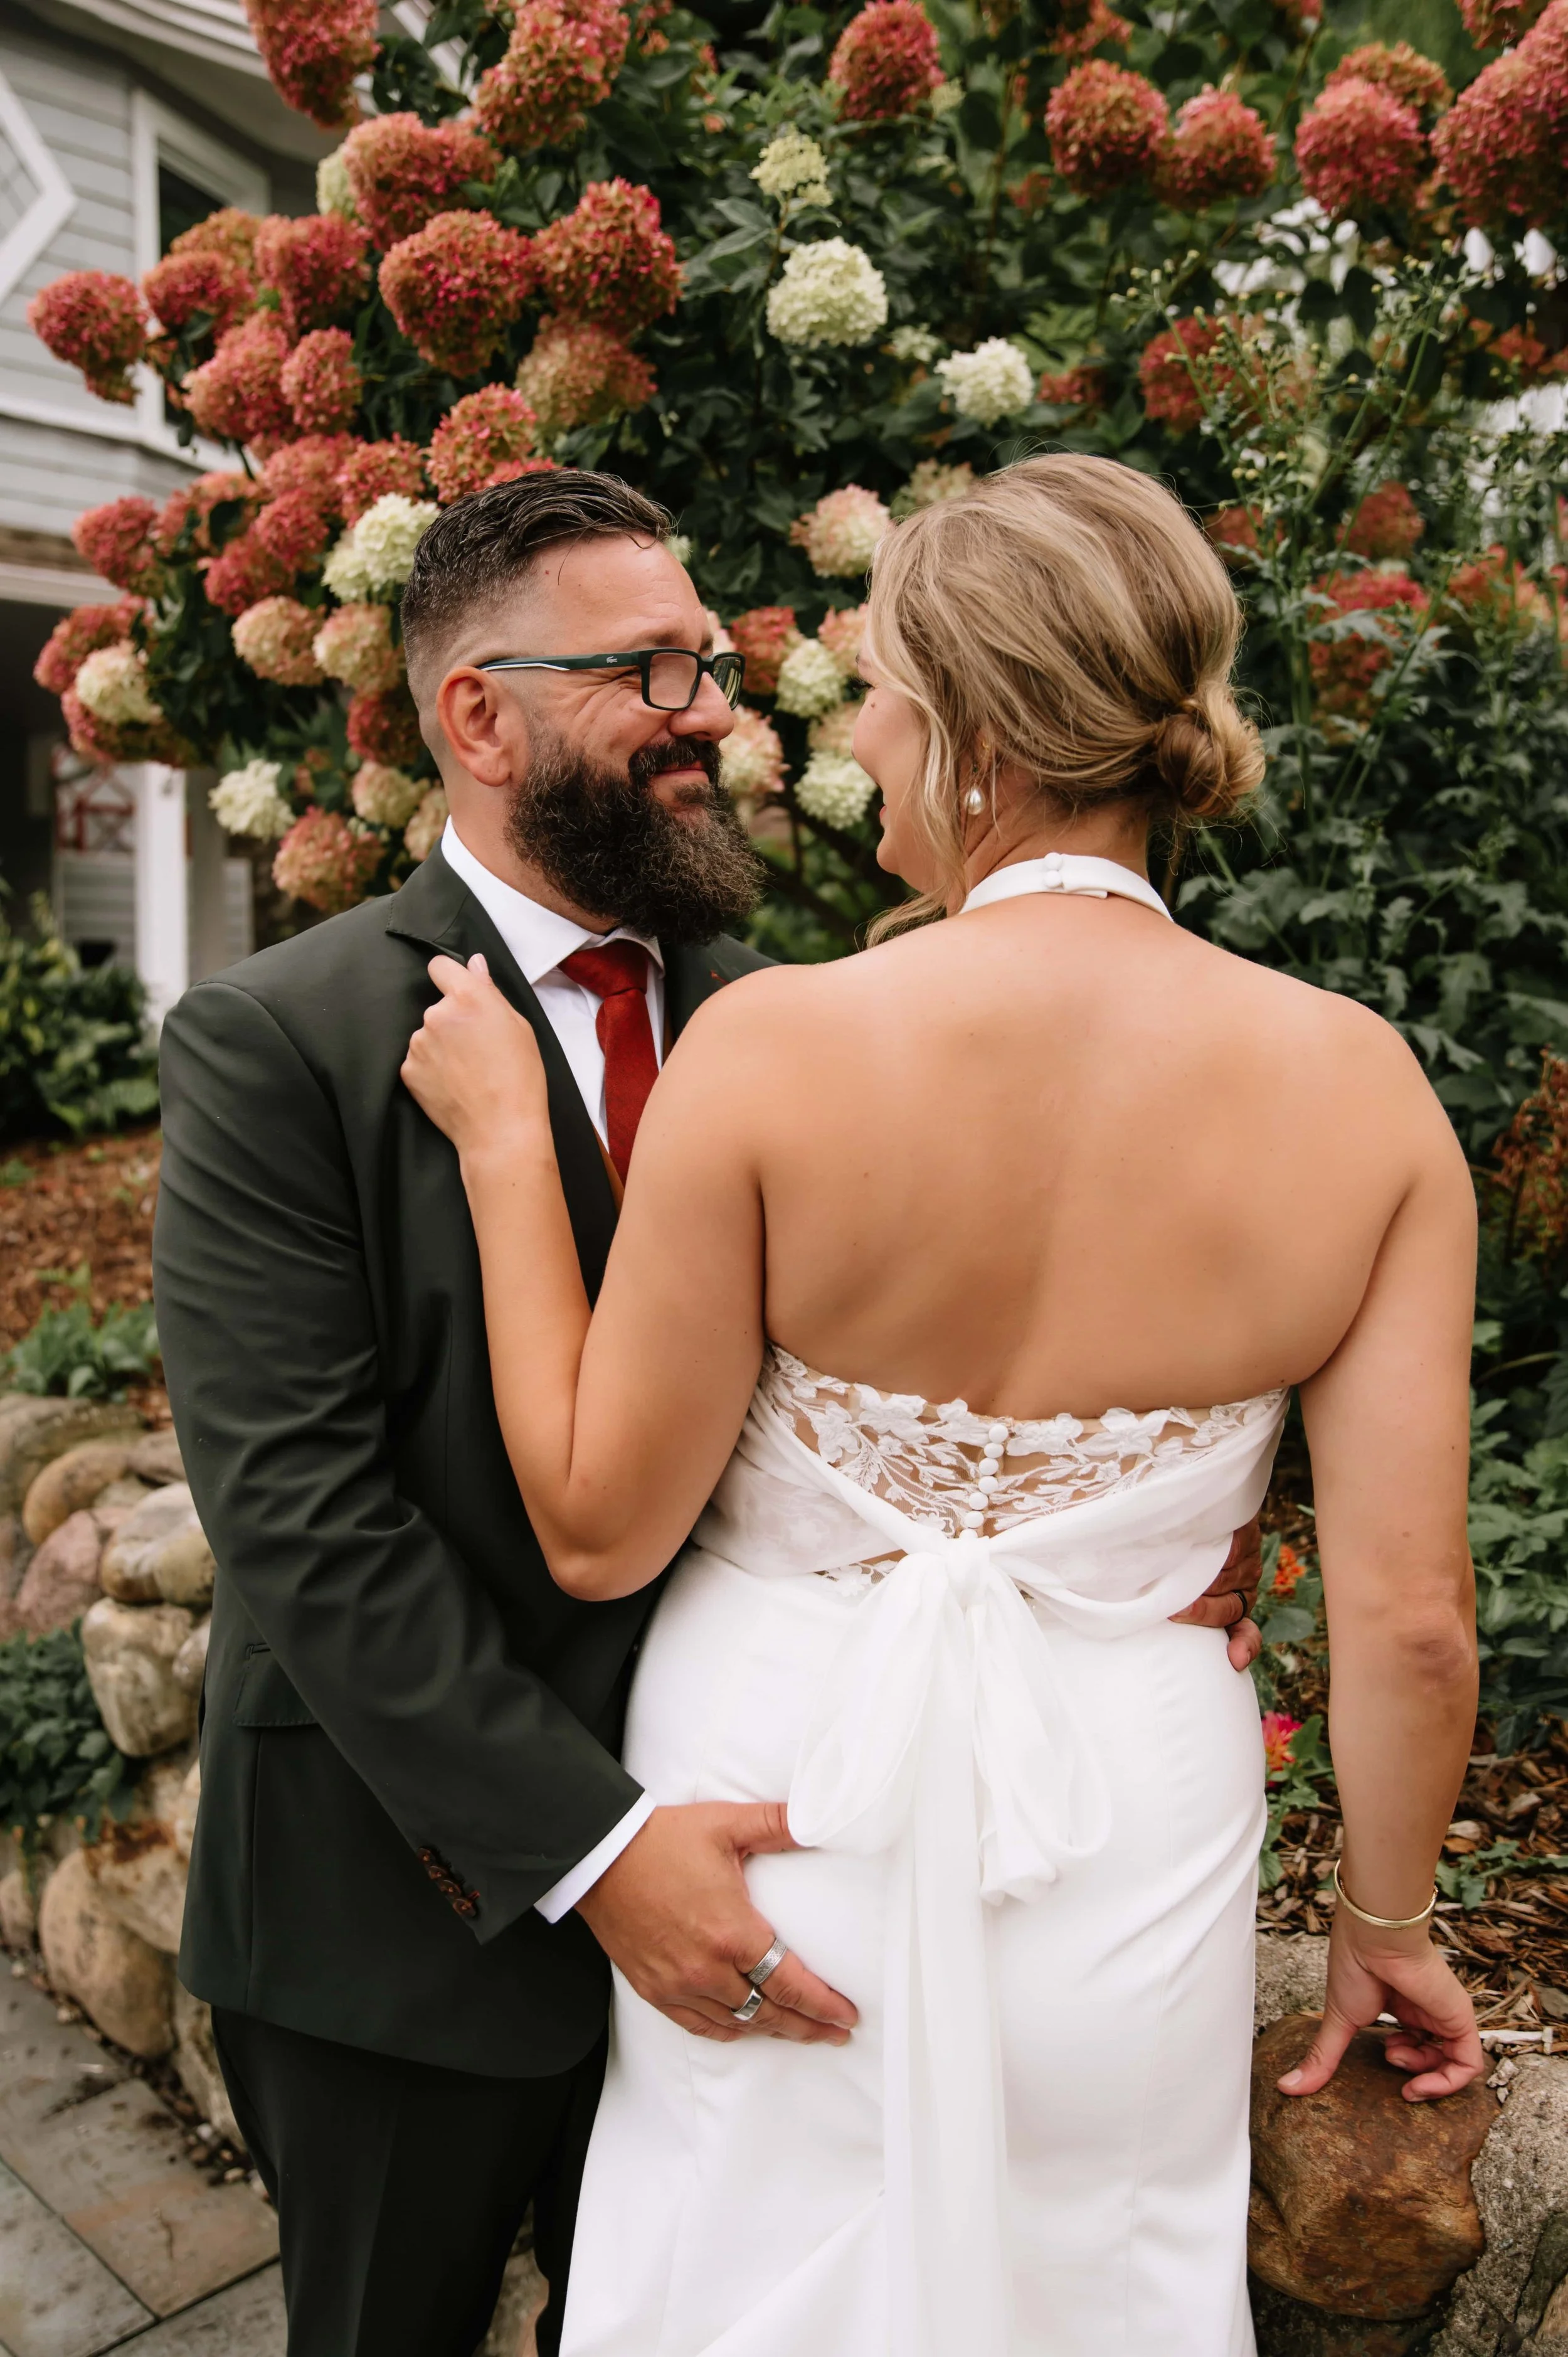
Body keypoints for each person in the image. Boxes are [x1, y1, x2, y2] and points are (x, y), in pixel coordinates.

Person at [152, 466, 1270, 2357]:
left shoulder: (800, 1018)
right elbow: (301, 1521)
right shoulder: (284, 1040)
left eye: (708, 664)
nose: (713, 717)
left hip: (781, 1902)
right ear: (477, 715)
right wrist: (592, 1848)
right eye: (645, 673)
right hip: (407, 1920)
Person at [401, 453, 1485, 2357]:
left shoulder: (778, 1044)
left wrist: (509, 1150)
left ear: (977, 729)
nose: (862, 738)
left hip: (776, 1825)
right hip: (1123, 1837)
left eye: (884, 693)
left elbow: (596, 1519)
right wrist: (1381, 1925)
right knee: (1097, 2279)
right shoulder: (1365, 1088)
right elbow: (1409, 1620)